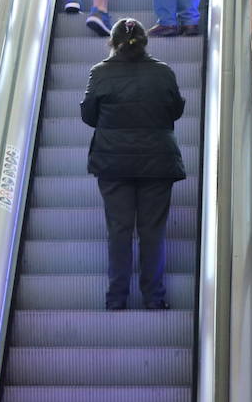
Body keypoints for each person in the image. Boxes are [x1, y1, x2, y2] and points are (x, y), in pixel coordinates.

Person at [80, 18, 187, 310]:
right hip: (158, 162)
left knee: (119, 230)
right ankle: (154, 297)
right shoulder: (163, 72)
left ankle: (116, 298)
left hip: (112, 163)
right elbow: (175, 110)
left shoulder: (100, 73)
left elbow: (89, 116)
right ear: (145, 42)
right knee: (153, 231)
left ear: (113, 43)